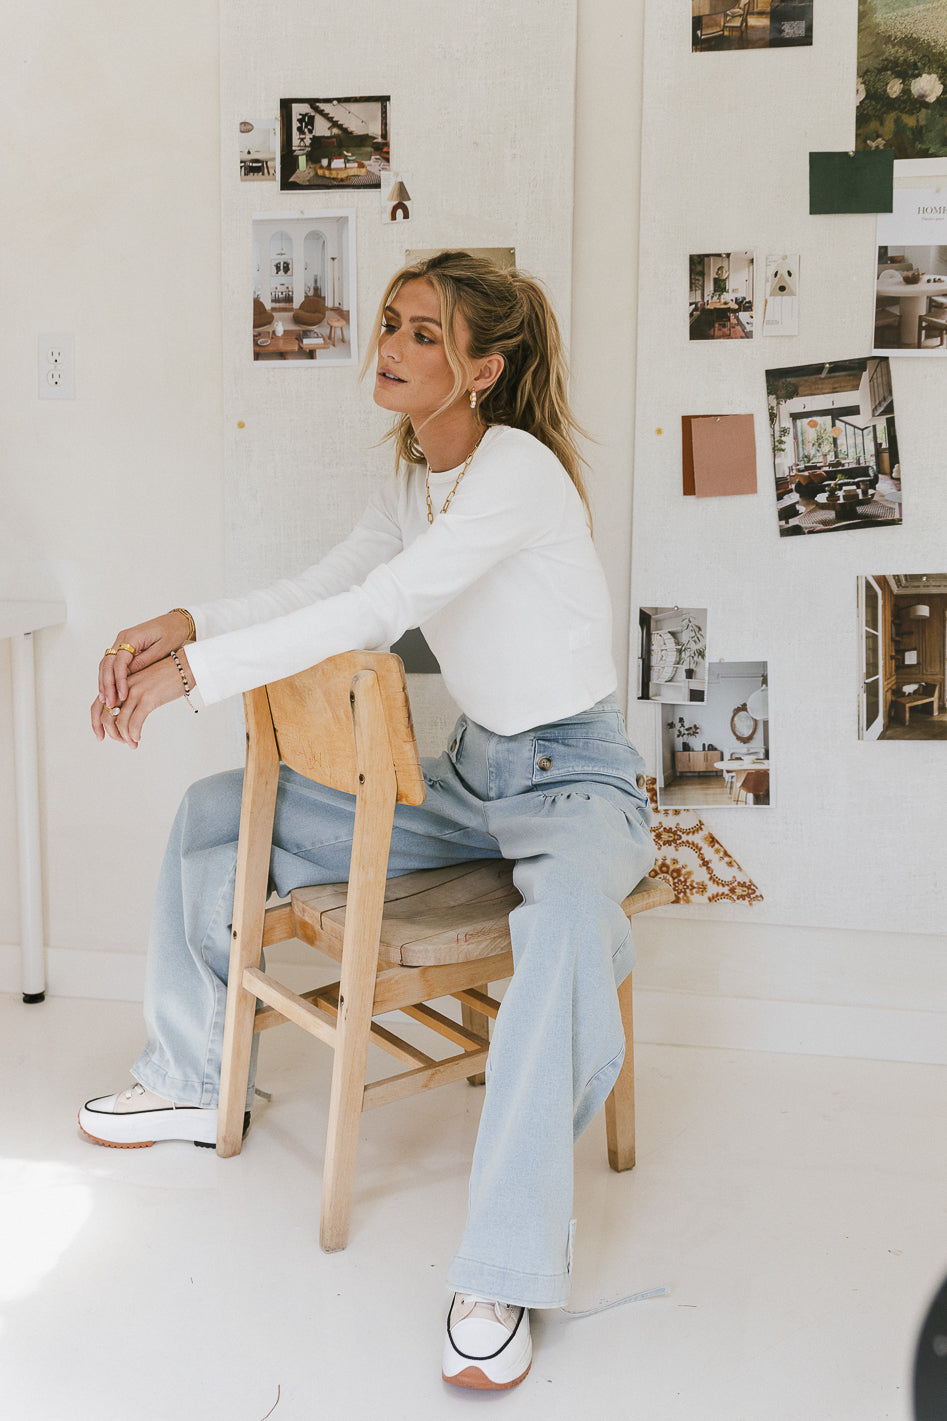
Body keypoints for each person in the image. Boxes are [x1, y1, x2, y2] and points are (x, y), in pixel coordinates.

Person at [80, 250, 654, 1392]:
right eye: (390, 323)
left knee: (566, 938)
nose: (389, 346)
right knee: (212, 811)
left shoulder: (516, 472)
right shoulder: (412, 475)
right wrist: (187, 622)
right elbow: (324, 585)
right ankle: (197, 1078)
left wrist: (193, 670)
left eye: (424, 334)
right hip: (467, 777)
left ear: (484, 368)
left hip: (575, 780)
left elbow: (378, 611)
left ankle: (502, 1268)